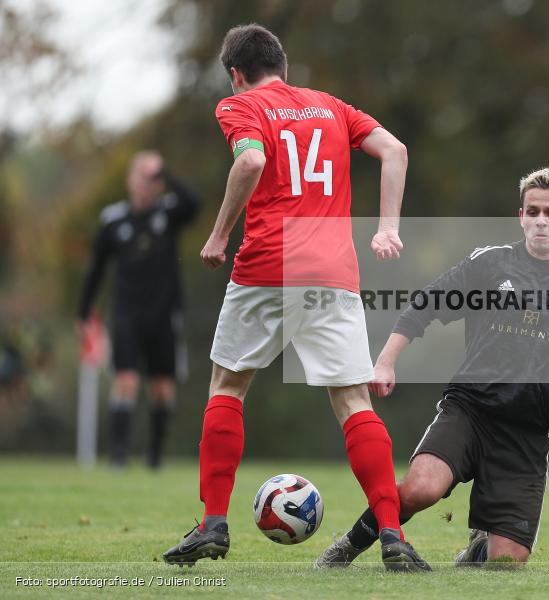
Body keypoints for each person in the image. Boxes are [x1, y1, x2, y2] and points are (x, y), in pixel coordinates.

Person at [161, 24, 426, 571]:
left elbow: (252, 161)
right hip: (333, 272)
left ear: (237, 74)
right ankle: (394, 535)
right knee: (354, 400)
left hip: (267, 266)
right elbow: (395, 150)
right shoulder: (329, 106)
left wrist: (217, 235)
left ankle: (212, 524)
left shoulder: (242, 106)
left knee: (228, 385)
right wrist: (387, 227)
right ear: (283, 63)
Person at [315, 168, 549, 568]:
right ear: (521, 215)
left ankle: (479, 545)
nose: (541, 220)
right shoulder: (490, 265)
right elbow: (425, 304)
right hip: (470, 410)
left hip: (528, 432)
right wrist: (385, 362)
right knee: (421, 488)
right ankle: (347, 548)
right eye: (534, 211)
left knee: (506, 562)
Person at [78, 151, 199, 469]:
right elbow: (96, 269)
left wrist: (165, 172)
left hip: (164, 313)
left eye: (153, 179)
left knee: (161, 387)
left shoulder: (169, 213)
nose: (147, 185)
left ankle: (154, 457)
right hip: (127, 313)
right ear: (130, 181)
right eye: (142, 177)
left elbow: (193, 203)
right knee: (126, 380)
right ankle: (118, 457)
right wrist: (84, 312)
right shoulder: (113, 219)